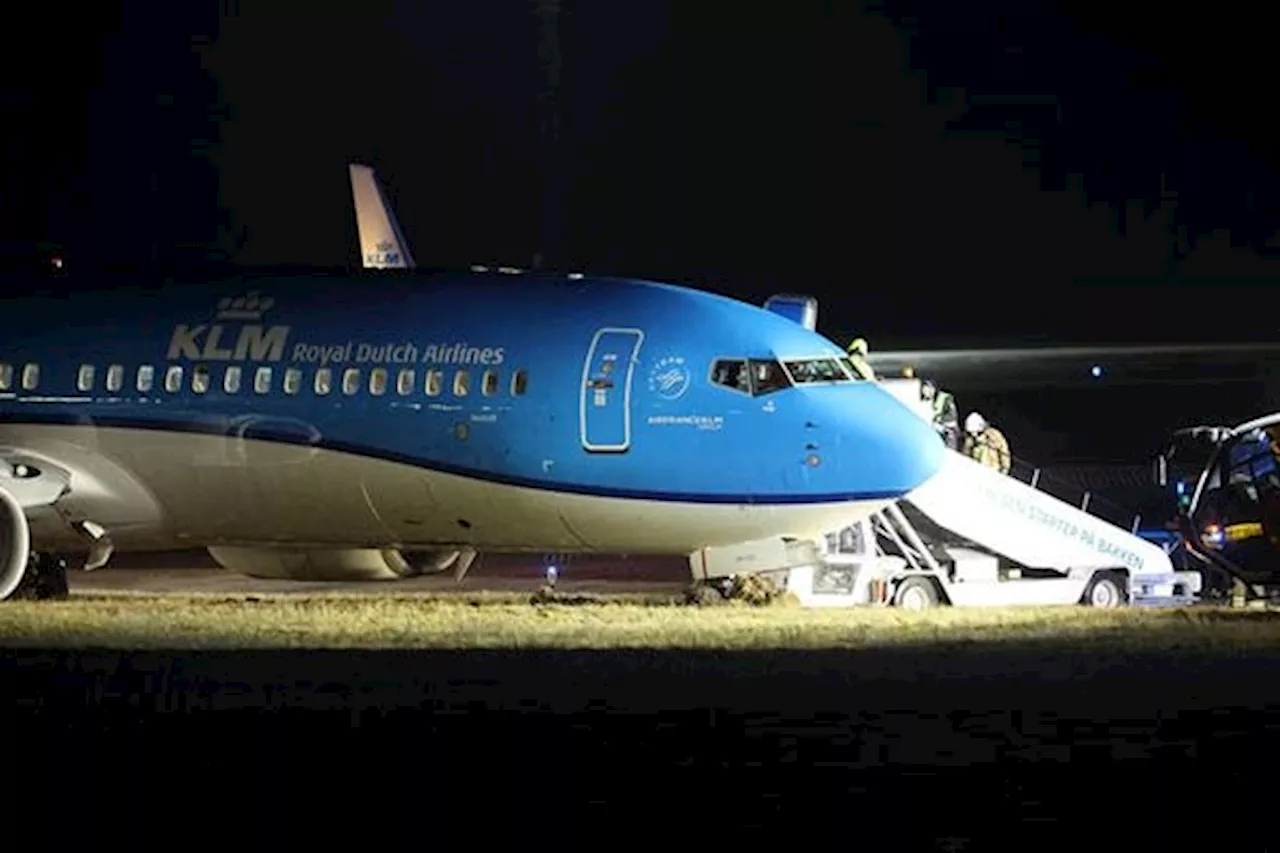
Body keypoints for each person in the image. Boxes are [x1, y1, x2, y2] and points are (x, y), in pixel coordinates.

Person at [922, 380, 960, 451]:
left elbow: (952, 416)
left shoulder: (945, 398)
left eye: (927, 390)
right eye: (924, 391)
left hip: (947, 432)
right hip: (932, 433)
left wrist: (939, 420)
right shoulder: (924, 402)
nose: (926, 393)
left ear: (933, 389)